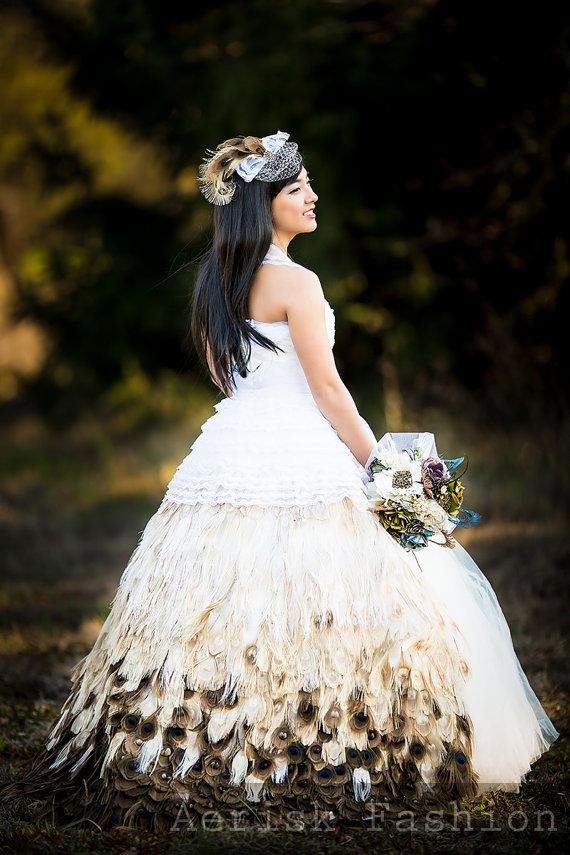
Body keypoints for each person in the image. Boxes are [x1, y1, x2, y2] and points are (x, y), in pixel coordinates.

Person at [0, 130, 559, 833]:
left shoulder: (215, 281)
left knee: (223, 591)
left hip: (230, 447)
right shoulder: (298, 282)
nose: (312, 196)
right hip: (300, 440)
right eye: (298, 190)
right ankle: (348, 743)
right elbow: (328, 391)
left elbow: (223, 376)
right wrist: (389, 472)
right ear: (265, 205)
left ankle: (206, 737)